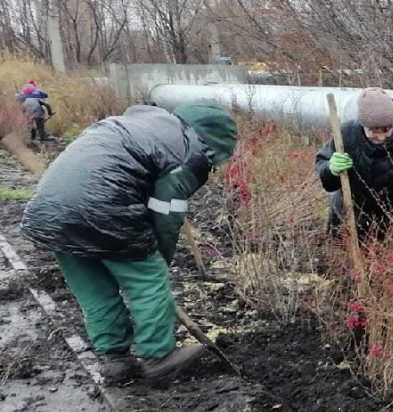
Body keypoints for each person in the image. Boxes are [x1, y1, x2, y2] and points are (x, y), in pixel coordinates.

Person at [20, 102, 238, 388]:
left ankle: (116, 361)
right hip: (104, 207)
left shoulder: (136, 126)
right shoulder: (188, 150)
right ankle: (159, 358)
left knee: (94, 288)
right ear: (212, 139)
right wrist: (159, 261)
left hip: (50, 212)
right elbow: (166, 215)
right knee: (148, 281)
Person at [315, 88, 393, 243]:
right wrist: (331, 169)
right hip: (347, 209)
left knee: (378, 255)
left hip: (385, 217)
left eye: (386, 130)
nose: (381, 137)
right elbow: (325, 172)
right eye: (373, 131)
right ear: (363, 125)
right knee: (340, 252)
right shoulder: (346, 135)